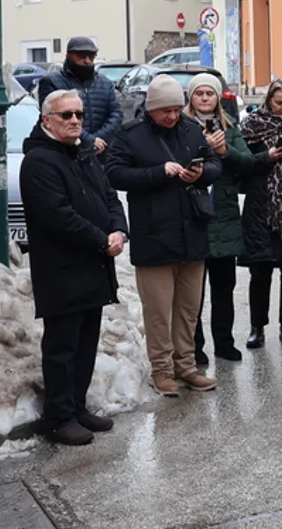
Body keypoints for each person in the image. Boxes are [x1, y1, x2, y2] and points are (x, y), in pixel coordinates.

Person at [22, 89, 128, 446]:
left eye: (79, 115)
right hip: (63, 270)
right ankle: (59, 417)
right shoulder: (39, 160)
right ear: (46, 119)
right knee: (62, 349)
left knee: (85, 345)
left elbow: (109, 197)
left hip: (94, 266)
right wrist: (102, 239)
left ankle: (77, 407)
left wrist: (119, 230)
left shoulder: (84, 152)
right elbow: (58, 217)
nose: (74, 121)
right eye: (66, 115)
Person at [106, 76, 221, 396]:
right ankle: (162, 370)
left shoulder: (191, 128)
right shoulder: (131, 135)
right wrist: (159, 172)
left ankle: (186, 366)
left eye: (176, 109)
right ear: (151, 108)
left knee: (188, 310)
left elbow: (214, 164)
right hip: (154, 236)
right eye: (165, 111)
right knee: (158, 312)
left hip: (193, 234)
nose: (173, 116)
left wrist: (202, 173)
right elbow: (114, 174)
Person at [185, 74, 255, 363]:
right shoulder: (182, 127)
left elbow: (248, 164)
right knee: (193, 293)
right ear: (191, 98)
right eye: (198, 93)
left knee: (224, 288)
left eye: (209, 94)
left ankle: (224, 343)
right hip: (192, 216)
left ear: (217, 98)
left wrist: (225, 151)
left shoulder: (230, 126)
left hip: (223, 215)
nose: (204, 98)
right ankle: (195, 347)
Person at [239, 79, 282, 350]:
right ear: (268, 101)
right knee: (260, 272)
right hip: (260, 207)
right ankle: (257, 327)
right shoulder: (251, 126)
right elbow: (241, 167)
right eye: (279, 103)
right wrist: (268, 157)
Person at [36, 36, 122, 154]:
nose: (87, 61)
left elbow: (116, 114)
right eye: (81, 56)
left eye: (91, 57)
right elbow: (51, 116)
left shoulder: (105, 83)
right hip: (65, 150)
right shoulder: (51, 81)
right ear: (68, 56)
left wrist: (99, 139)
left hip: (101, 151)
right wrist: (89, 139)